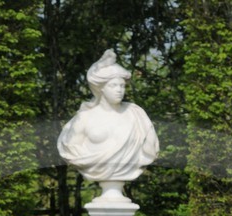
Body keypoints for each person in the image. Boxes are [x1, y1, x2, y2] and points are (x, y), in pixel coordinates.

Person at [57, 50, 160, 187]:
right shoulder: (84, 118)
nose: (119, 90)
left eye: (122, 86)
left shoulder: (136, 114)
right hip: (97, 170)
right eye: (113, 85)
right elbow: (72, 148)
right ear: (101, 89)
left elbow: (150, 148)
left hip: (127, 170)